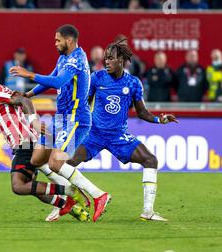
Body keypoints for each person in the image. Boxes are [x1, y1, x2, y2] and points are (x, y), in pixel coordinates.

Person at [0, 54, 91, 222]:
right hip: (24, 144)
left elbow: (25, 102)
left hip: (25, 144)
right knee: (33, 188)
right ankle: (73, 209)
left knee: (19, 186)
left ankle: (69, 191)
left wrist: (33, 122)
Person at [67, 39, 178, 221]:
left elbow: (141, 112)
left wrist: (160, 119)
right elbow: (83, 103)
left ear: (122, 60)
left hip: (118, 136)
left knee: (150, 160)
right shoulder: (96, 78)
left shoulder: (133, 83)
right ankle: (63, 204)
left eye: (111, 58)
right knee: (65, 164)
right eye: (106, 58)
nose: (107, 61)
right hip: (94, 134)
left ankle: (147, 212)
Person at [9, 24, 110, 222]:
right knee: (37, 159)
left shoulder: (76, 60)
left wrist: (28, 74)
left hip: (75, 119)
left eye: (58, 40)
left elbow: (58, 82)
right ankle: (71, 195)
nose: (55, 43)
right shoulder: (63, 57)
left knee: (56, 162)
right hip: (60, 119)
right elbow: (51, 78)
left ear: (69, 40)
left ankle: (98, 195)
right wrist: (28, 94)